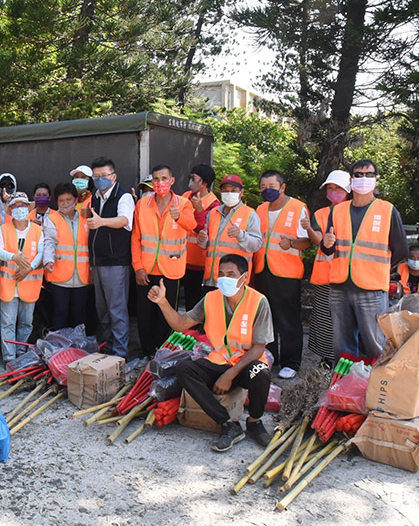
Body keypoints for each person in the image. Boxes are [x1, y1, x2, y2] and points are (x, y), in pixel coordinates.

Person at [148, 253, 274, 451]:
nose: (225, 279)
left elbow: (259, 347)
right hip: (217, 361)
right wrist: (162, 302)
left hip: (244, 365)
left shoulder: (259, 301)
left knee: (261, 372)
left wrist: (230, 374)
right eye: (221, 274)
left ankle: (255, 422)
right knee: (184, 370)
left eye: (231, 274)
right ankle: (228, 424)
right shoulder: (210, 299)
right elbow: (181, 324)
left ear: (245, 278)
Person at [321, 159, 409, 359]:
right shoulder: (338, 210)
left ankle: (378, 386)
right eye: (358, 175)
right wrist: (326, 243)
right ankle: (343, 384)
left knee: (376, 343)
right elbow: (328, 248)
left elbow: (401, 250)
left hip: (372, 290)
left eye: (369, 174)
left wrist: (376, 270)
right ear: (351, 180)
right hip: (340, 287)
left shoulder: (387, 210)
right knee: (342, 345)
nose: (363, 179)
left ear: (376, 180)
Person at [252, 170, 311, 379]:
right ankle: (270, 357)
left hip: (287, 273)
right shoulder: (259, 210)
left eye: (272, 187)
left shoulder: (298, 208)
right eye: (264, 188)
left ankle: (291, 362)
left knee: (288, 320)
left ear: (283, 187)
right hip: (262, 270)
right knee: (265, 318)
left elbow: (308, 240)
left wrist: (292, 243)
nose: (267, 191)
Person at [132, 165, 196, 358]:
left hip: (171, 269)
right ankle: (146, 352)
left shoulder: (184, 203)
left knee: (166, 315)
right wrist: (138, 267)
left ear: (172, 180)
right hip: (147, 268)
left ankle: (163, 354)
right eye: (156, 179)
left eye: (164, 178)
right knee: (145, 314)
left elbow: (192, 226)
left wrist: (180, 218)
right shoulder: (143, 204)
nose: (160, 183)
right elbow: (136, 237)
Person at [88, 156, 134, 359]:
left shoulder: (123, 196)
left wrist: (101, 222)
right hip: (98, 262)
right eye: (96, 176)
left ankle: (120, 354)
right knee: (103, 310)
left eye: (104, 175)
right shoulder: (95, 196)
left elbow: (125, 220)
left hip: (116, 262)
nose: (100, 179)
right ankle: (107, 346)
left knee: (117, 310)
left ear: (113, 176)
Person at [304, 170, 350, 365]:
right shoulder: (321, 214)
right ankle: (326, 359)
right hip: (325, 277)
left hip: (350, 278)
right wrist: (308, 228)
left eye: (337, 188)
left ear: (348, 190)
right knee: (324, 318)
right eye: (330, 188)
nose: (333, 192)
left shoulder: (356, 213)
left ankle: (347, 358)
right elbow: (316, 241)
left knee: (346, 320)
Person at [0, 192, 44, 364]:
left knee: (26, 322)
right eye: (16, 206)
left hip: (29, 285)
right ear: (11, 210)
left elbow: (41, 252)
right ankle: (9, 358)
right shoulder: (4, 229)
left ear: (28, 209)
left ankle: (21, 353)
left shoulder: (38, 230)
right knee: (7, 322)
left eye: (23, 205)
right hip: (8, 286)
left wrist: (29, 268)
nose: (20, 209)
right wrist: (14, 257)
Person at [197, 174, 262, 289]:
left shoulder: (250, 214)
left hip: (234, 281)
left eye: (233, 191)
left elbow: (256, 245)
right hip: (211, 278)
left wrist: (240, 235)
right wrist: (202, 240)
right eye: (225, 190)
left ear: (241, 192)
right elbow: (209, 245)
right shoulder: (213, 213)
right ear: (220, 192)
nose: (229, 193)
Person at [42, 183, 91, 330]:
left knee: (80, 314)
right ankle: (58, 347)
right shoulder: (52, 218)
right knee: (60, 313)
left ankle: (78, 349)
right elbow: (49, 241)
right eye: (61, 200)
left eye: (69, 199)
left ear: (76, 200)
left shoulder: (85, 217)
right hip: (59, 276)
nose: (65, 203)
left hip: (82, 276)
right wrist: (48, 260)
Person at [182, 164, 219, 310]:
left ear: (203, 182)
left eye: (193, 178)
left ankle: (195, 331)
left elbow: (204, 229)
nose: (190, 180)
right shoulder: (186, 196)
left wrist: (199, 210)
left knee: (195, 302)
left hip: (199, 262)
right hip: (181, 258)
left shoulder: (214, 204)